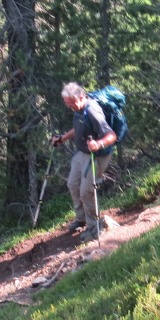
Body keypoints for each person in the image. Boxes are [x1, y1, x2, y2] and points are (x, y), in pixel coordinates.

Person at [51, 82, 118, 243]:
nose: (70, 107)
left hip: (96, 156)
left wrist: (98, 144)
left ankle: (94, 227)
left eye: (72, 103)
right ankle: (81, 219)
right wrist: (62, 138)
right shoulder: (79, 109)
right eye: (67, 104)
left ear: (81, 97)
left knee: (86, 191)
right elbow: (78, 128)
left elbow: (111, 136)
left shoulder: (93, 111)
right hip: (82, 153)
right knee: (73, 184)